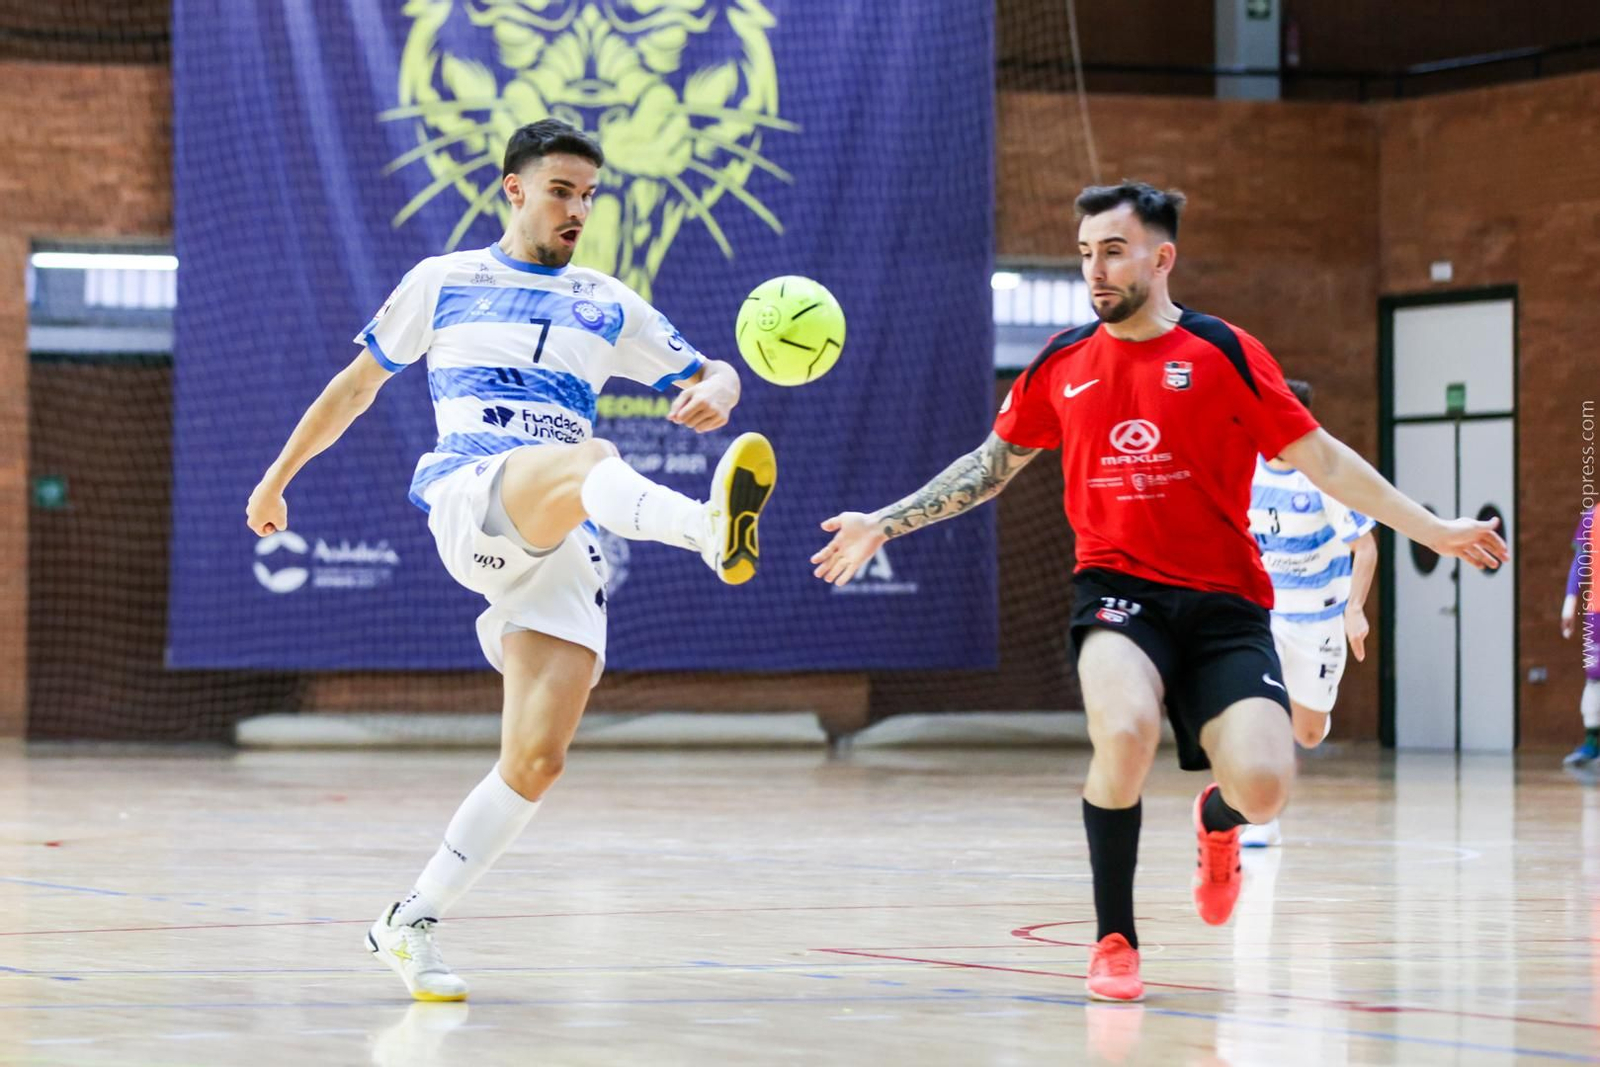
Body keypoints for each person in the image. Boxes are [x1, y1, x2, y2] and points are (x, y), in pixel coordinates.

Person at [809, 181, 1507, 1002]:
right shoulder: (1063, 363)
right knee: (1128, 729)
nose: (1094, 270)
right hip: (1117, 594)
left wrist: (1432, 528)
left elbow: (1326, 460)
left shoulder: (1225, 353)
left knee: (1267, 786)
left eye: (1111, 251)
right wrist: (884, 522)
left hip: (1225, 605)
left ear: (1160, 256)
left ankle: (1217, 822)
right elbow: (987, 468)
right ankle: (1114, 938)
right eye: (1083, 254)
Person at [246, 119, 776, 1001]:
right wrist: (275, 479)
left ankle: (407, 920)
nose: (578, 209)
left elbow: (709, 371)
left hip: (561, 531)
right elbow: (355, 388)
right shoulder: (444, 281)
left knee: (536, 759)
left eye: (591, 196)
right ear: (514, 189)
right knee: (593, 460)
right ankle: (707, 529)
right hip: (473, 492)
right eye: (562, 190)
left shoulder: (608, 301)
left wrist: (721, 385)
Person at [1239, 378, 1377, 848]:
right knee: (1263, 711)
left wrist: (1355, 610)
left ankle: (1311, 712)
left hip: (1319, 619)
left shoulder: (1322, 476)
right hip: (1265, 613)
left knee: (1310, 733)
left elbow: (1366, 547)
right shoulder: (1245, 471)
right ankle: (1261, 817)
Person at [1562, 506, 1598, 766]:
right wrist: (1569, 601)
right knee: (1594, 678)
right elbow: (1580, 560)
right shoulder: (1591, 516)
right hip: (1596, 612)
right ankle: (1592, 744)